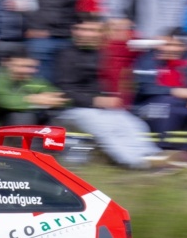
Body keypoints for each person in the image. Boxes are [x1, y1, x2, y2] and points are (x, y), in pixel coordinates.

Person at [55, 16, 166, 169]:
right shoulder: (66, 55)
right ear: (75, 31)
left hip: (102, 108)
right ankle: (135, 162)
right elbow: (65, 90)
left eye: (93, 30)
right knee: (106, 128)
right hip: (74, 109)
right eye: (83, 29)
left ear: (102, 33)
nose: (88, 34)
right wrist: (96, 101)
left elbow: (131, 42)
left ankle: (153, 156)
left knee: (134, 125)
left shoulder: (104, 52)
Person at [134, 30, 187, 159]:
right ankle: (162, 150)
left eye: (178, 45)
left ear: (185, 47)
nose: (173, 49)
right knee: (167, 102)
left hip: (173, 108)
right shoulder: (147, 60)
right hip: (143, 110)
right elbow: (144, 88)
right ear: (160, 44)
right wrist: (175, 91)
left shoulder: (186, 65)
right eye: (168, 44)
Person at [0, 51, 67, 125]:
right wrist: (33, 99)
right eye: (23, 66)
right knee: (22, 116)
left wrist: (54, 100)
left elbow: (57, 97)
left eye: (32, 67)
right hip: (0, 116)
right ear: (8, 64)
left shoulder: (35, 80)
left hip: (32, 116)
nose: (29, 70)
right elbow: (4, 100)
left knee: (58, 117)